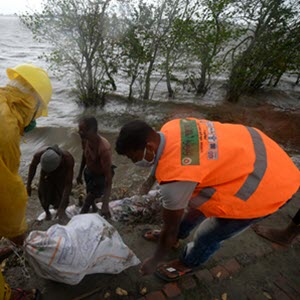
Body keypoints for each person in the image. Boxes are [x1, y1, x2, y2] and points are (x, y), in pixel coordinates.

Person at [115, 118, 300, 281]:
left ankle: (188, 263)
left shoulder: (175, 182)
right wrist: (149, 181)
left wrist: (154, 260)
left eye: (134, 157)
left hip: (267, 189)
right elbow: (168, 160)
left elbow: (169, 227)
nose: (134, 163)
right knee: (196, 207)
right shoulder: (173, 126)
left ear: (149, 147)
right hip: (262, 153)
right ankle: (178, 237)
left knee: (208, 234)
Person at [0, 63, 52, 299]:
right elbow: (7, 191)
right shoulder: (7, 129)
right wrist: (16, 233)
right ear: (31, 103)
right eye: (37, 110)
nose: (35, 118)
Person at [76, 117, 114, 218]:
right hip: (89, 172)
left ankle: (80, 217)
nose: (79, 132)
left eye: (82, 130)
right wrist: (80, 173)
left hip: (101, 176)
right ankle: (93, 208)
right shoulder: (85, 140)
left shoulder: (104, 148)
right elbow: (85, 155)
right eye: (79, 129)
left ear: (91, 131)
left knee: (88, 199)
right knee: (89, 192)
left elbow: (108, 178)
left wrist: (105, 204)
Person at [27, 145, 74, 222]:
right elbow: (33, 166)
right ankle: (47, 213)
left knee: (61, 195)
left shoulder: (68, 159)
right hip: (45, 175)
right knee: (43, 196)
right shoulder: (39, 155)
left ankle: (61, 212)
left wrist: (61, 208)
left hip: (60, 175)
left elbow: (68, 184)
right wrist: (28, 185)